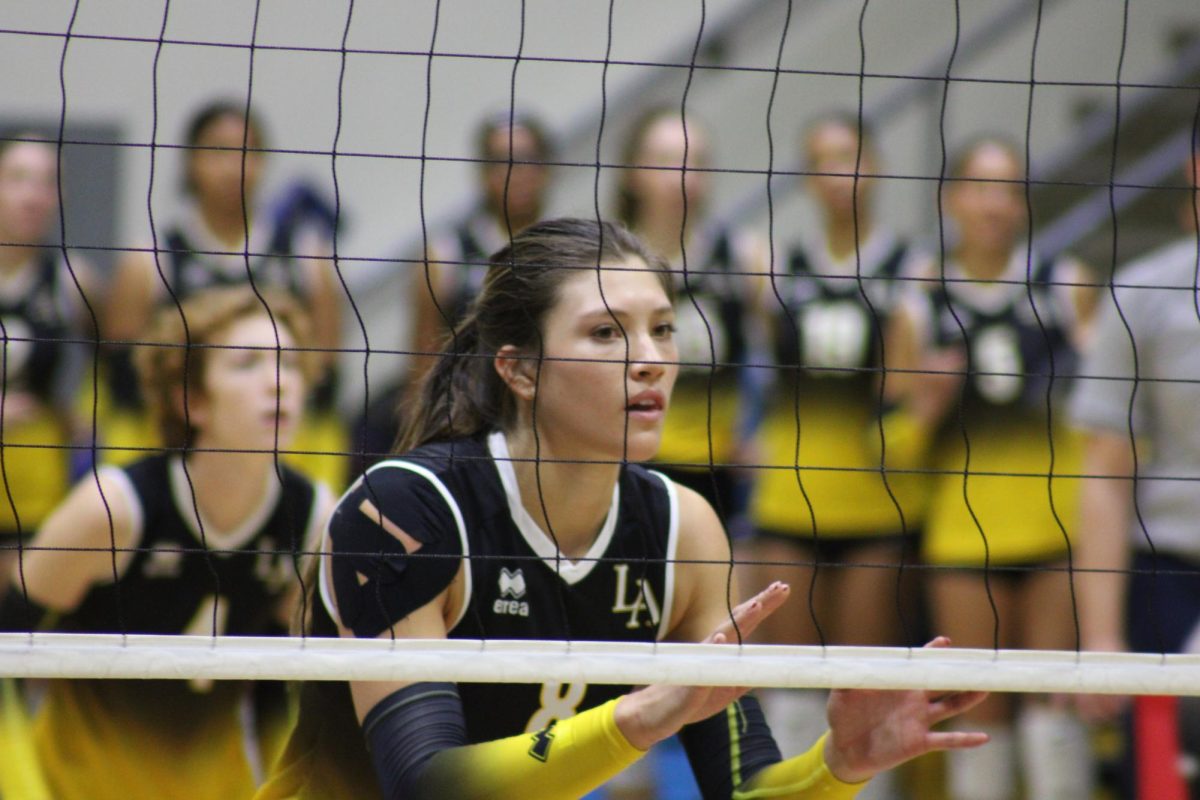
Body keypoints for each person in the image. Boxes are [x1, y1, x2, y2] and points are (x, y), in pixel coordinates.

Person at [257, 217, 989, 800]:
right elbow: (427, 784)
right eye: (606, 333)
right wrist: (636, 720)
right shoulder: (405, 509)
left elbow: (745, 792)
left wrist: (839, 766)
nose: (649, 358)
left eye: (663, 328)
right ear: (518, 369)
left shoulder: (682, 528)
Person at [0, 286, 335, 799]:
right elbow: (4, 654)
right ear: (192, 399)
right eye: (248, 364)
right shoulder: (112, 510)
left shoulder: (312, 518)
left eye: (289, 363)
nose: (278, 383)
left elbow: (281, 685)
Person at [882, 137, 1096, 800]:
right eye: (980, 187)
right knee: (980, 723)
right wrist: (923, 409)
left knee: (1054, 719)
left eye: (1009, 189)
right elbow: (882, 447)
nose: (995, 204)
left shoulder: (1065, 285)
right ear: (952, 200)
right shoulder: (919, 300)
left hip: (1057, 534)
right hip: (962, 541)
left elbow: (1110, 415)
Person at [740, 114, 929, 786]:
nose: (838, 173)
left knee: (862, 684)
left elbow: (907, 401)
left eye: (849, 156)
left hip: (876, 507)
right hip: (789, 500)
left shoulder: (912, 271)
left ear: (874, 165)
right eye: (822, 159)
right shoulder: (772, 269)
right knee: (790, 688)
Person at [105, 100, 345, 486]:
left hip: (279, 450)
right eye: (218, 149)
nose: (234, 164)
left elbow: (326, 373)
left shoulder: (305, 256)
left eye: (248, 150)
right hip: (175, 447)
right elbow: (122, 379)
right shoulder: (151, 257)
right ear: (190, 161)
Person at [1071, 141, 1200, 792]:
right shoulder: (1145, 292)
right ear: (1194, 172)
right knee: (1161, 780)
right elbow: (1104, 471)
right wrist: (1099, 635)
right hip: (1173, 575)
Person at [354, 111, 555, 472]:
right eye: (501, 161)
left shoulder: (565, 252)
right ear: (481, 173)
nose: (515, 172)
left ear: (547, 169)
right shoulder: (447, 253)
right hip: (466, 424)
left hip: (545, 422)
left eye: (527, 159)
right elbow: (423, 360)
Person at [616, 105, 769, 522]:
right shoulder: (607, 261)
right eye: (666, 162)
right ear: (632, 174)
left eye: (695, 162)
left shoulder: (743, 255)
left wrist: (758, 431)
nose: (683, 176)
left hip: (716, 473)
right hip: (625, 466)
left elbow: (781, 356)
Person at [0, 133, 98, 597]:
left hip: (35, 480)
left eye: (46, 182)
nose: (33, 195)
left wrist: (75, 416)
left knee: (26, 620)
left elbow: (118, 364)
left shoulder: (72, 279)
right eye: (18, 179)